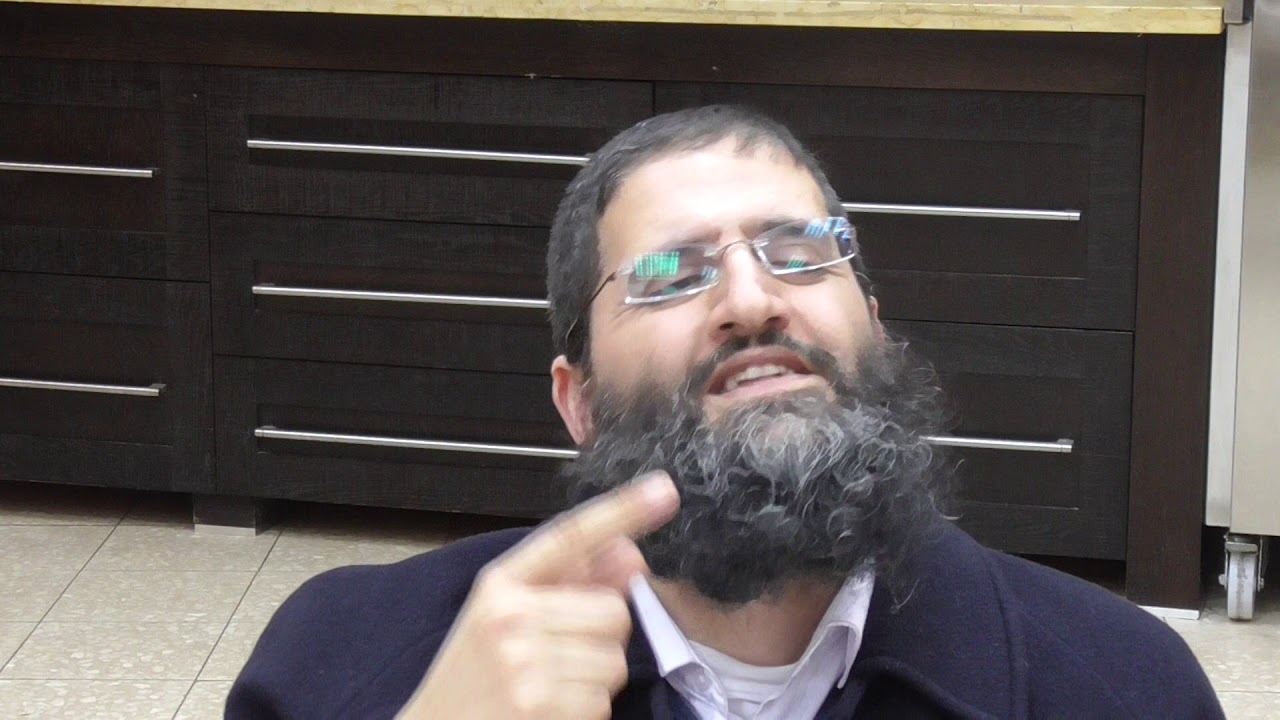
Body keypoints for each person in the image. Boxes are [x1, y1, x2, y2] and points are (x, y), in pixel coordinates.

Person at [226, 105, 1223, 719]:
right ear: (577, 400)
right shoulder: (339, 665)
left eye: (801, 253)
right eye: (671, 273)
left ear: (875, 333)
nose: (752, 300)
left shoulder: (1126, 688)